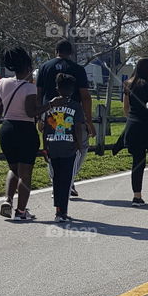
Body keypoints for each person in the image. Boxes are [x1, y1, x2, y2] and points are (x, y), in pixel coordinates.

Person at [36, 39, 94, 198]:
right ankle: (68, 180)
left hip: (49, 112)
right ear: (71, 53)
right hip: (72, 113)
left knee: (51, 146)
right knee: (80, 147)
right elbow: (85, 96)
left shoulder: (44, 67)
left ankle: (57, 182)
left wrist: (38, 117)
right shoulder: (78, 69)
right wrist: (89, 121)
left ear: (56, 51)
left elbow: (39, 93)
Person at [0, 47, 40, 222]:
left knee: (13, 168)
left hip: (7, 129)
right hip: (25, 131)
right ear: (27, 67)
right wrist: (50, 105)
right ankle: (21, 211)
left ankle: (8, 200)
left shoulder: (2, 82)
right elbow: (30, 112)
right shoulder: (29, 88)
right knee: (25, 172)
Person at [40, 73, 86, 223]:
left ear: (57, 88)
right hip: (69, 147)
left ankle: (58, 210)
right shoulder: (75, 106)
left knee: (57, 179)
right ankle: (62, 212)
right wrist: (79, 145)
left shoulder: (50, 105)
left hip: (52, 146)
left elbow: (45, 128)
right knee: (66, 181)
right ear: (72, 90)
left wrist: (44, 146)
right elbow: (78, 127)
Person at [122, 58, 148, 206]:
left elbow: (126, 108)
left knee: (137, 162)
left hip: (133, 126)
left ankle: (137, 196)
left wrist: (133, 118)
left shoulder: (128, 84)